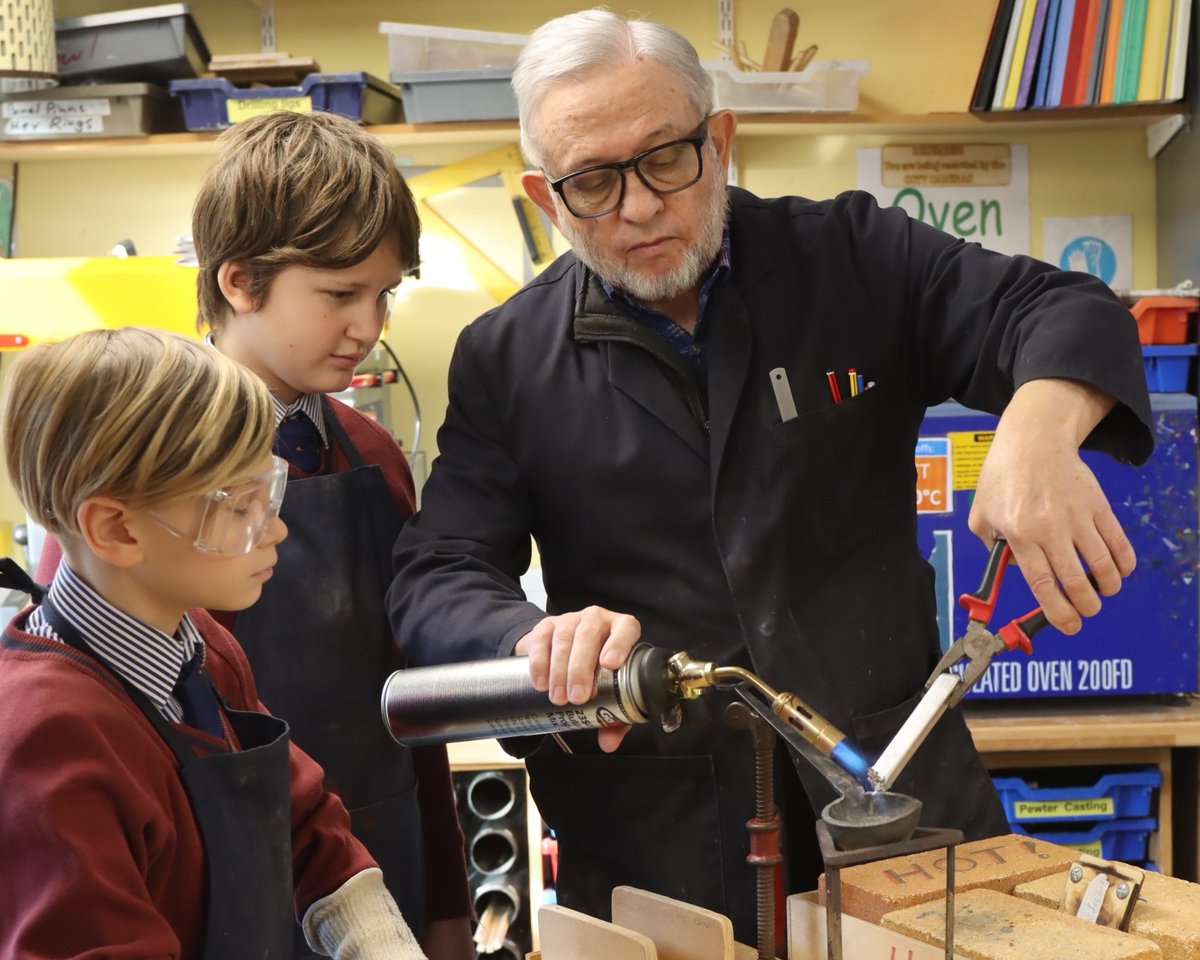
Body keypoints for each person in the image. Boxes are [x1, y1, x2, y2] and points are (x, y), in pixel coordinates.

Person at [385, 7, 1154, 944]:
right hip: (652, 835)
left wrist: (1037, 429)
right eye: (592, 182)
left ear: (719, 141)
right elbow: (438, 572)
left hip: (897, 797)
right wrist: (532, 643)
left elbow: (1060, 308)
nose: (638, 207)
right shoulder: (505, 359)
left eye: (665, 159)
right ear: (547, 199)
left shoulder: (855, 258)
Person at [0, 327, 425, 959]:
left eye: (269, 490)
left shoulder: (204, 650)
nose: (276, 528)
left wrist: (380, 941)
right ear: (116, 529)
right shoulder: (48, 740)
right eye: (239, 505)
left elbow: (302, 823)